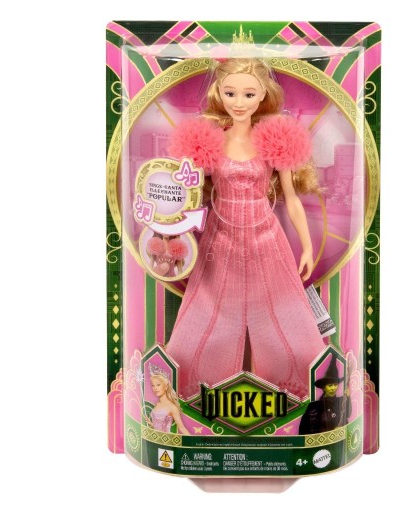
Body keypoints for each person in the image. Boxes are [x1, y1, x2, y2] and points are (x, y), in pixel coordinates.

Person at [166, 58, 327, 399]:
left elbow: (291, 198)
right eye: (231, 93)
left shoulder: (274, 140)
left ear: (263, 95)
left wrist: (308, 246)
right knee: (210, 308)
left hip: (265, 236)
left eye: (248, 94)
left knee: (279, 309)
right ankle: (199, 386)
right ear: (218, 92)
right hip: (220, 238)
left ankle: (291, 387)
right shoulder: (207, 142)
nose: (239, 102)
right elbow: (187, 193)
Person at [298, 354, 351, 434]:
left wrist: (348, 397)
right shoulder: (314, 406)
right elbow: (303, 430)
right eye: (330, 385)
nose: (333, 388)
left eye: (335, 385)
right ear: (324, 388)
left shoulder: (341, 401)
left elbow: (348, 414)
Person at [146, 364, 190, 435]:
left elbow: (182, 428)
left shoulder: (172, 407)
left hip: (165, 439)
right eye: (153, 385)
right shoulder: (157, 404)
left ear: (166, 386)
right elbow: (158, 426)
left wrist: (192, 440)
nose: (155, 388)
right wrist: (151, 424)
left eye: (158, 385)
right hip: (155, 438)